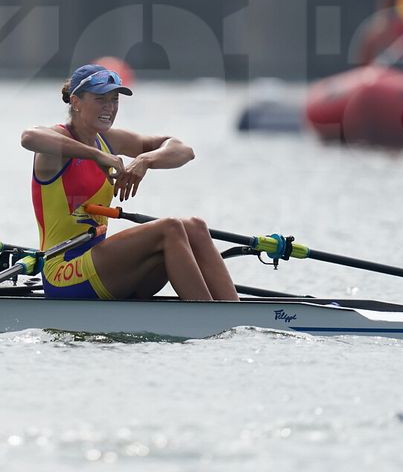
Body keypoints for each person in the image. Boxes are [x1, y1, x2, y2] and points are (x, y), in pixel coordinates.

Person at [21, 63, 239, 302]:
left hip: (99, 268)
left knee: (195, 227)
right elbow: (29, 137)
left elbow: (183, 150)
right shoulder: (56, 146)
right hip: (63, 273)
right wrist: (97, 155)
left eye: (114, 100)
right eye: (100, 99)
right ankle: (209, 318)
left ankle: (232, 315)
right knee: (170, 228)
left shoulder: (109, 140)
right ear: (75, 102)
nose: (110, 107)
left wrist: (145, 159)